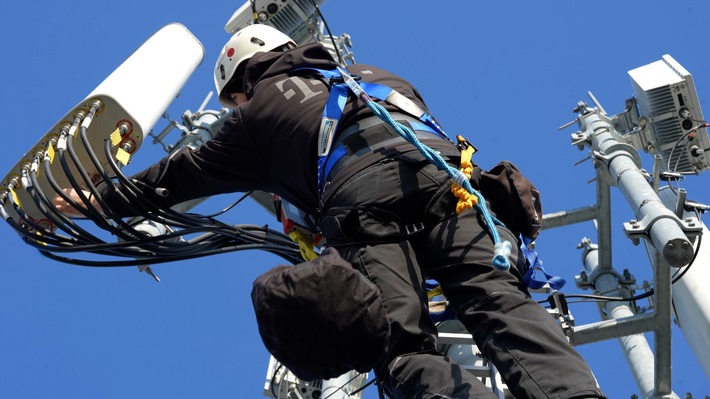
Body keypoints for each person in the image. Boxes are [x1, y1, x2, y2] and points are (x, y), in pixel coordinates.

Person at [55, 24, 606, 398]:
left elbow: (177, 178)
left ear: (242, 82)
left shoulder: (256, 115)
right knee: (501, 304)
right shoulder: (378, 76)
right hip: (449, 188)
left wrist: (95, 197)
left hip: (363, 207)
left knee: (398, 346)